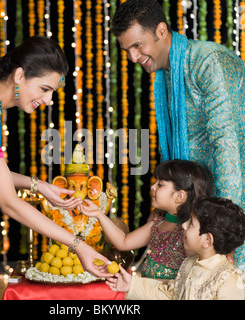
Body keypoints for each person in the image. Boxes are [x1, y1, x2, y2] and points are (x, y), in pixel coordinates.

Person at [0, 36, 112, 300]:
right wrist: (78, 245)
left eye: (53, 92)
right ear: (20, 75)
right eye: (44, 89)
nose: (48, 100)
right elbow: (9, 203)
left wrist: (39, 186)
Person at [111, 0, 245, 271]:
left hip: (229, 211)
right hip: (197, 215)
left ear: (161, 31)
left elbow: (227, 147)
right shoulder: (167, 74)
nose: (133, 57)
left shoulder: (208, 62)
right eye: (127, 50)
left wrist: (225, 234)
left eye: (138, 46)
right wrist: (167, 210)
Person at [79, 159, 211, 281]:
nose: (153, 187)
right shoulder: (157, 224)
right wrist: (99, 214)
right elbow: (123, 242)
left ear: (180, 196)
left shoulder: (191, 233)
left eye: (160, 184)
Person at [106, 196, 245, 300]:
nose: (183, 225)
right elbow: (171, 295)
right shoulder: (189, 263)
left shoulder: (229, 280)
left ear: (207, 240)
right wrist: (132, 284)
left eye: (191, 223)